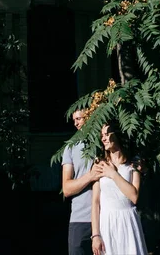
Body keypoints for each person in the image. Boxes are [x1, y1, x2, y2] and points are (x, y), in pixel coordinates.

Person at [91, 122, 148, 255]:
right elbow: (95, 202)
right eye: (101, 136)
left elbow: (134, 196)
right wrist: (95, 235)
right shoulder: (100, 164)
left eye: (107, 134)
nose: (103, 138)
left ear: (117, 135)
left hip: (128, 221)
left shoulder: (133, 164)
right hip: (107, 222)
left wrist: (113, 174)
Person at [62, 109, 105, 255]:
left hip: (106, 217)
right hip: (80, 219)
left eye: (79, 118)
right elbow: (66, 189)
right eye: (74, 120)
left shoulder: (105, 140)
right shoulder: (70, 147)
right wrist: (90, 176)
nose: (76, 123)